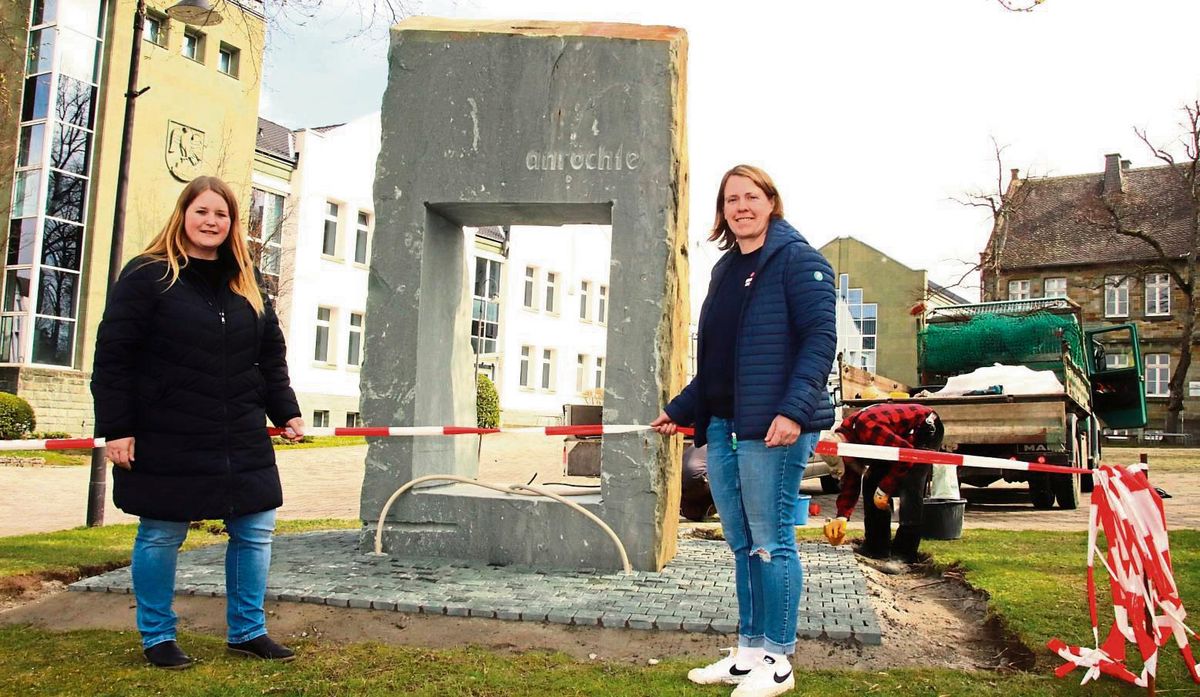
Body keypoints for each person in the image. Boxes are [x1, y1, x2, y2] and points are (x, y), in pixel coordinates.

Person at [91, 176, 305, 670]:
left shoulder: (247, 280)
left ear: (233, 224)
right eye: (202, 211)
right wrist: (116, 427)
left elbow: (270, 356)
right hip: (169, 431)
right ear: (183, 214)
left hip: (240, 432)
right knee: (162, 533)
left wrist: (286, 410)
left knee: (255, 529)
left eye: (222, 215)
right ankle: (157, 637)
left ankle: (247, 631)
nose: (211, 222)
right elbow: (114, 357)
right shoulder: (148, 275)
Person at [652, 164, 837, 697]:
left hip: (774, 428)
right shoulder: (726, 271)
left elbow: (819, 341)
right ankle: (749, 651)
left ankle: (778, 663)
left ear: (771, 202)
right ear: (723, 210)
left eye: (750, 196)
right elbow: (718, 361)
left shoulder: (799, 261)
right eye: (731, 199)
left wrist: (794, 411)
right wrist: (683, 408)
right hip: (726, 426)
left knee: (772, 543)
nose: (740, 207)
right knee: (741, 544)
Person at [820, 404, 944, 566]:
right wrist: (842, 516)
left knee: (910, 484)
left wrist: (885, 488)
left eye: (845, 461)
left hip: (925, 429)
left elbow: (906, 454)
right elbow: (852, 479)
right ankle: (876, 546)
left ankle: (905, 553)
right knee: (871, 481)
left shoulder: (868, 428)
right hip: (898, 438)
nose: (848, 464)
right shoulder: (847, 439)